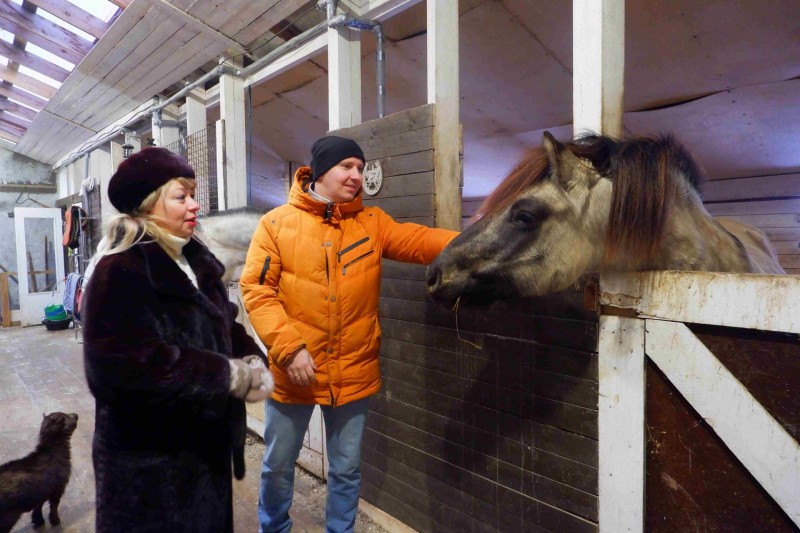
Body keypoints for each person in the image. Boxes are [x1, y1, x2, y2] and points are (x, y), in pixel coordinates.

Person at [240, 136, 460, 532]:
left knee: (346, 470)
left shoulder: (372, 223)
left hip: (353, 369)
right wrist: (289, 349)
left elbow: (420, 241)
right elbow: (257, 291)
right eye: (347, 167)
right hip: (295, 371)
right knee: (277, 465)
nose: (356, 175)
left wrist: (477, 242)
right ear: (321, 171)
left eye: (360, 168)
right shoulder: (276, 225)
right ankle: (273, 528)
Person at [82, 147, 273, 533]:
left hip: (203, 453)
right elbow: (118, 367)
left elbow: (223, 324)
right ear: (148, 204)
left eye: (193, 195)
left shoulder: (194, 261)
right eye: (181, 196)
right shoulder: (120, 269)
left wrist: (251, 357)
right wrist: (224, 375)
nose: (195, 205)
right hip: (150, 464)